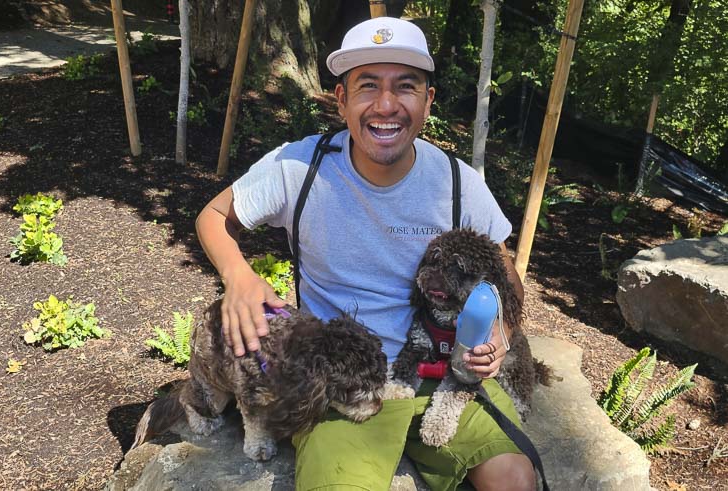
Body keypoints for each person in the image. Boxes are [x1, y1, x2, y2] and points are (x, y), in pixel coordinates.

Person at [196, 16, 535, 491]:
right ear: (341, 100)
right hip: (340, 383)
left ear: (427, 101)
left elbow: (506, 276)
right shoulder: (299, 167)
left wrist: (499, 332)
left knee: (515, 477)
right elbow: (213, 216)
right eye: (367, 85)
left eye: (406, 86)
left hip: (444, 373)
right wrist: (239, 277)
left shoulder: (458, 184)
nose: (386, 105)